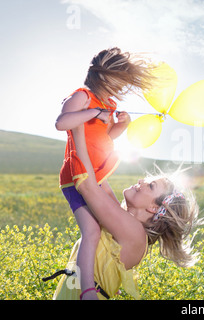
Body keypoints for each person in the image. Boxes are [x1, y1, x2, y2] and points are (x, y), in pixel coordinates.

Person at [54, 47, 154, 299]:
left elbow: (104, 140)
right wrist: (93, 113)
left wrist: (122, 125)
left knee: (103, 233)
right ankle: (87, 290)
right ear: (104, 76)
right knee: (92, 232)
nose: (120, 90)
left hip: (96, 175)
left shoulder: (108, 104)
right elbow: (61, 123)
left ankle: (101, 280)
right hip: (77, 176)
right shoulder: (83, 97)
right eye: (118, 82)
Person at [50, 157, 204, 299]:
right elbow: (100, 180)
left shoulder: (134, 232)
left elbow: (87, 186)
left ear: (153, 207)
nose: (141, 181)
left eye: (151, 186)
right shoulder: (124, 226)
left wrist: (76, 132)